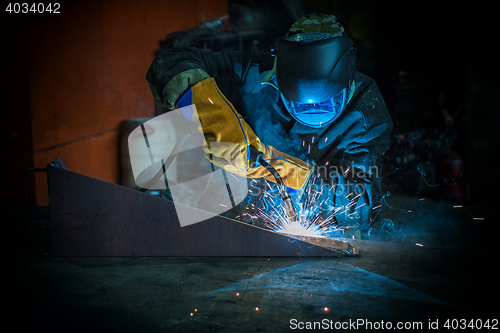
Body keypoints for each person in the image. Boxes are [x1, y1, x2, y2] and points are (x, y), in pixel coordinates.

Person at [146, 13, 393, 232]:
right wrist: (216, 119)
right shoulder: (250, 72)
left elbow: (360, 204)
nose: (313, 111)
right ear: (277, 74)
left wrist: (282, 168)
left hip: (327, 230)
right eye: (299, 103)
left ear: (347, 82)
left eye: (327, 102)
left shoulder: (366, 110)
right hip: (242, 219)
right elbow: (171, 62)